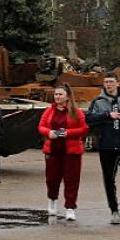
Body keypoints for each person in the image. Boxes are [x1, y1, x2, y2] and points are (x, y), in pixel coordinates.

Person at [85, 74, 120, 225]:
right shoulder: (98, 101)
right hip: (106, 145)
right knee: (109, 179)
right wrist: (107, 115)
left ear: (118, 83)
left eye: (111, 82)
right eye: (106, 82)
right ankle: (114, 210)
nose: (108, 84)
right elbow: (88, 119)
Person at [37, 83, 89, 221]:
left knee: (71, 180)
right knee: (52, 179)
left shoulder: (76, 112)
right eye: (56, 94)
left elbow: (84, 128)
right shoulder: (49, 111)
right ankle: (52, 200)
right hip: (53, 150)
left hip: (71, 151)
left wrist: (68, 133)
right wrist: (49, 132)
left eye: (60, 94)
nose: (57, 97)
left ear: (67, 97)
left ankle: (70, 208)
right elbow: (41, 126)